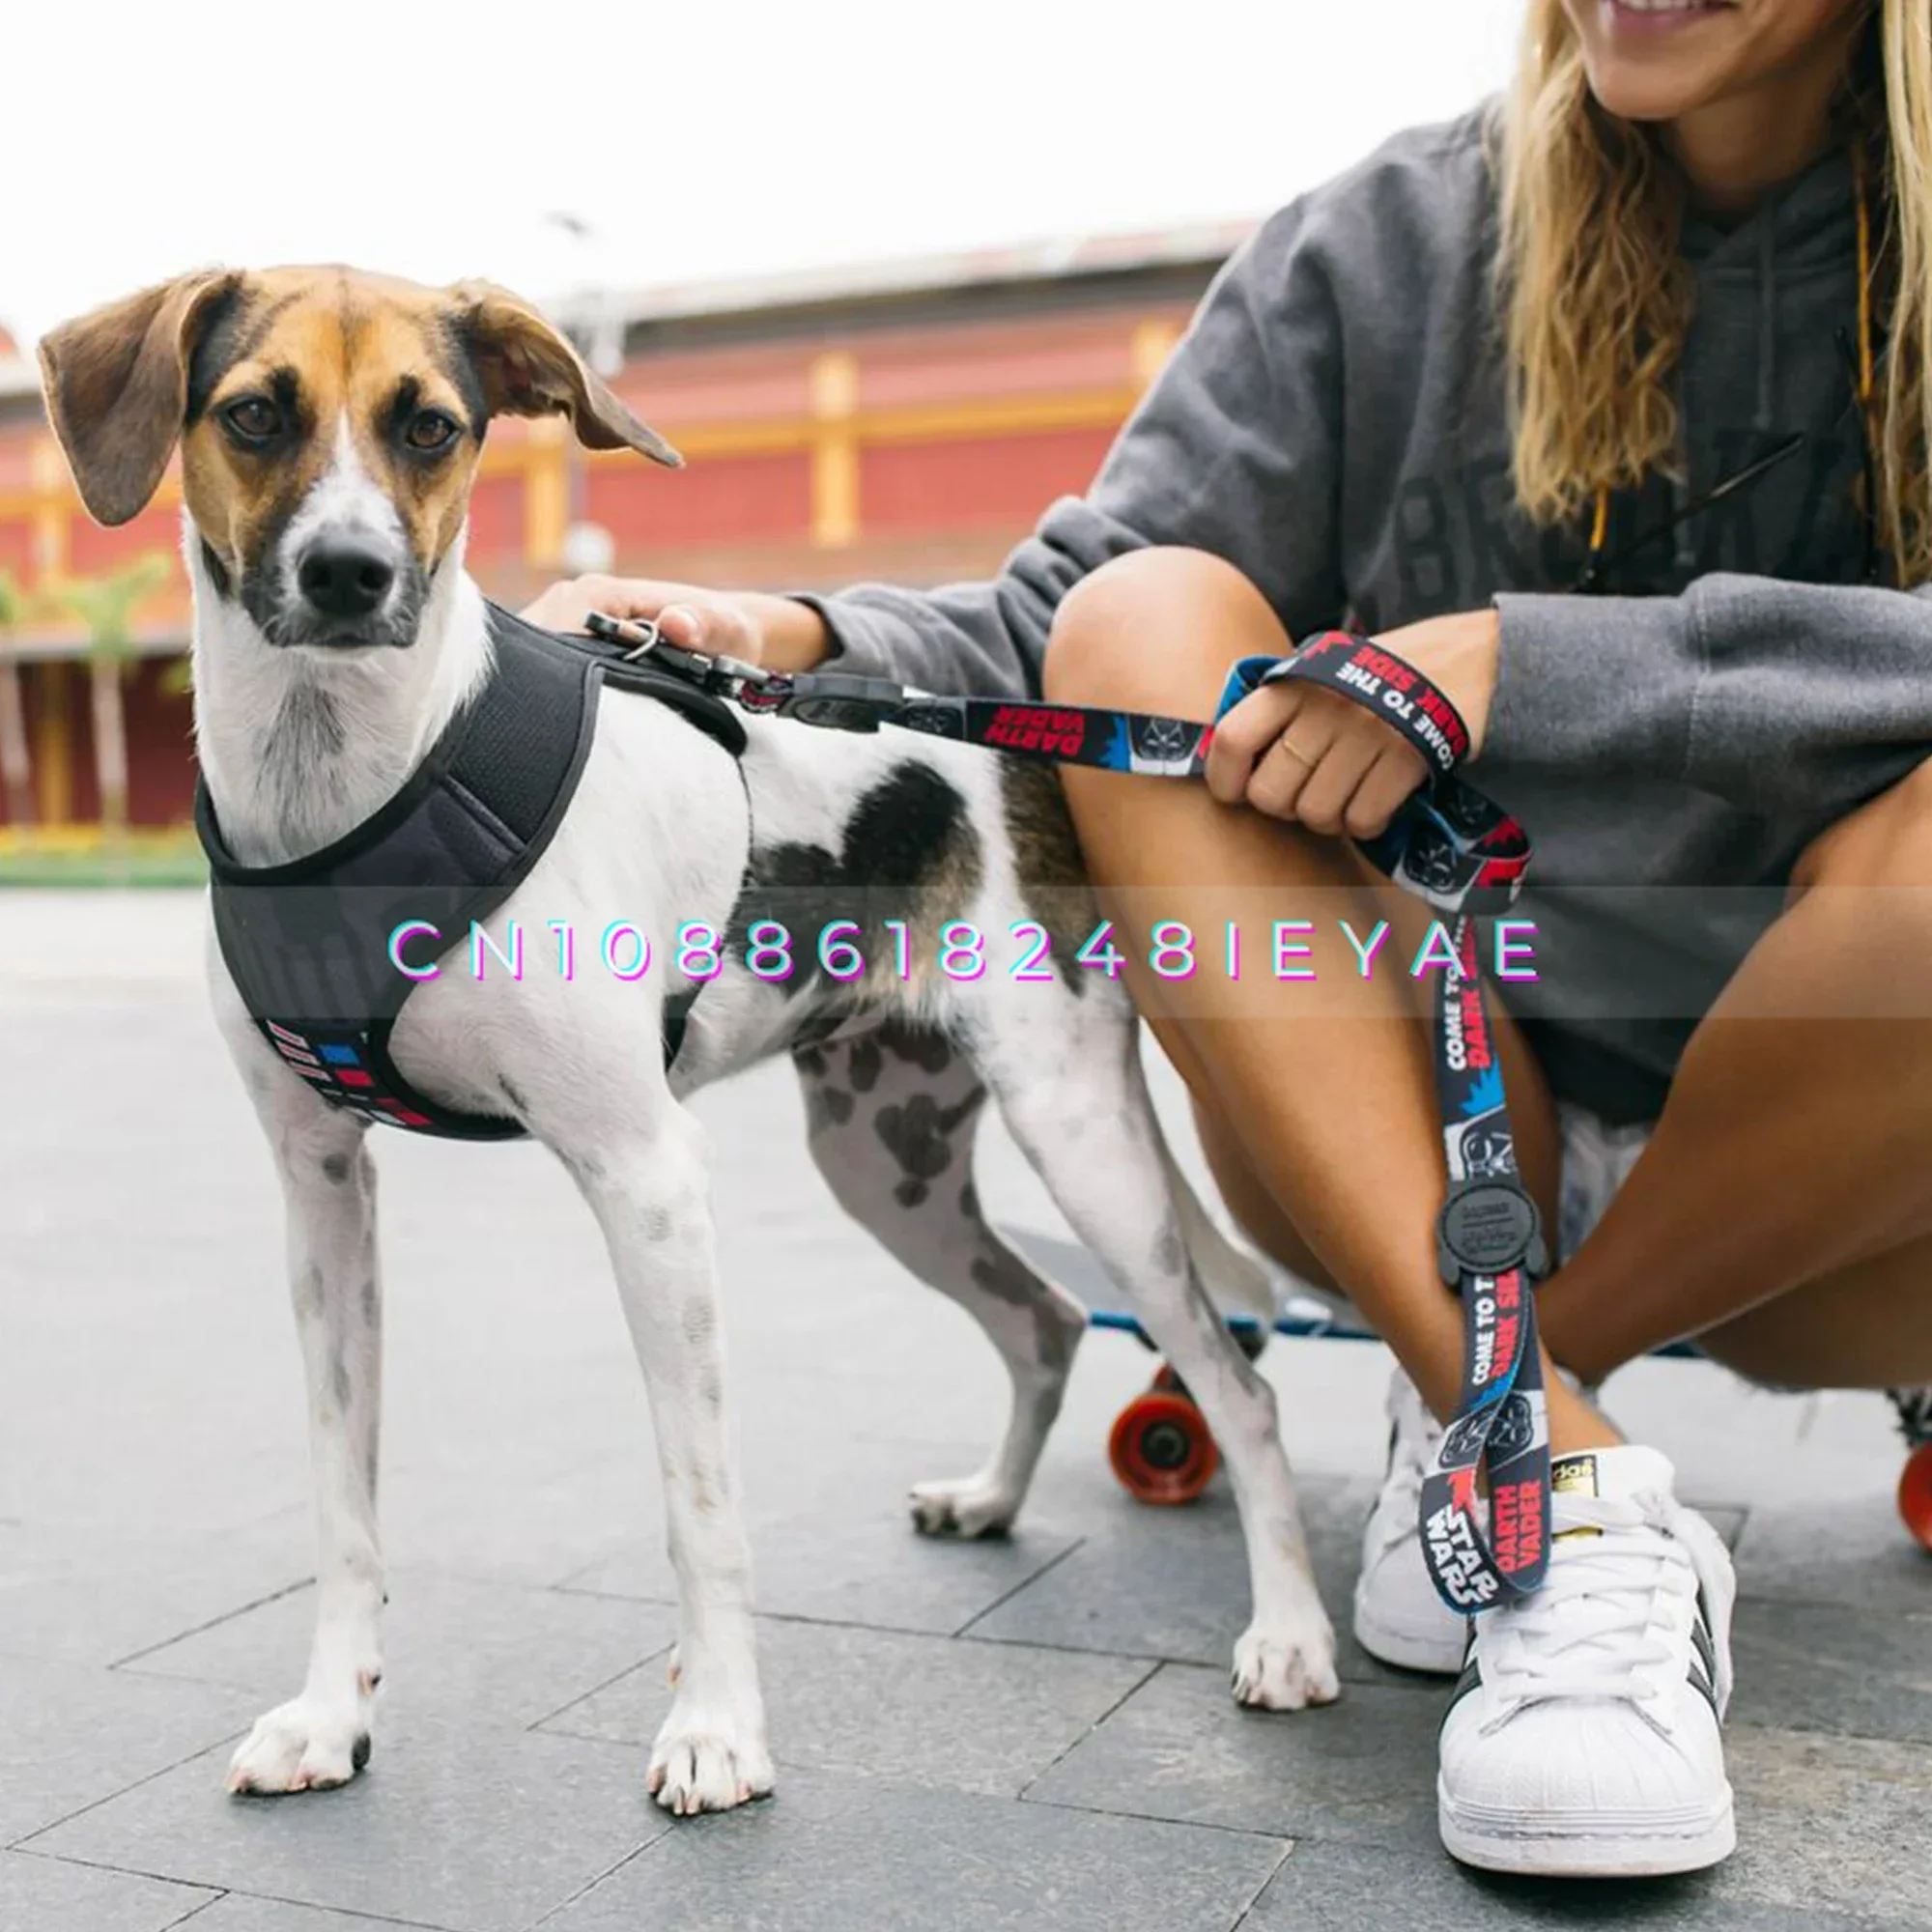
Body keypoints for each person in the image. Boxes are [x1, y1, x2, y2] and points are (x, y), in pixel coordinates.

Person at [526, 0, 1932, 1878]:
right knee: (1144, 620)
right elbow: (1061, 625)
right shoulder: (1390, 243)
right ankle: (1559, 1475)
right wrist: (791, 638)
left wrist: (1528, 663)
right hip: (1422, 1119)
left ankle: (1505, 1411)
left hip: (1835, 1193)